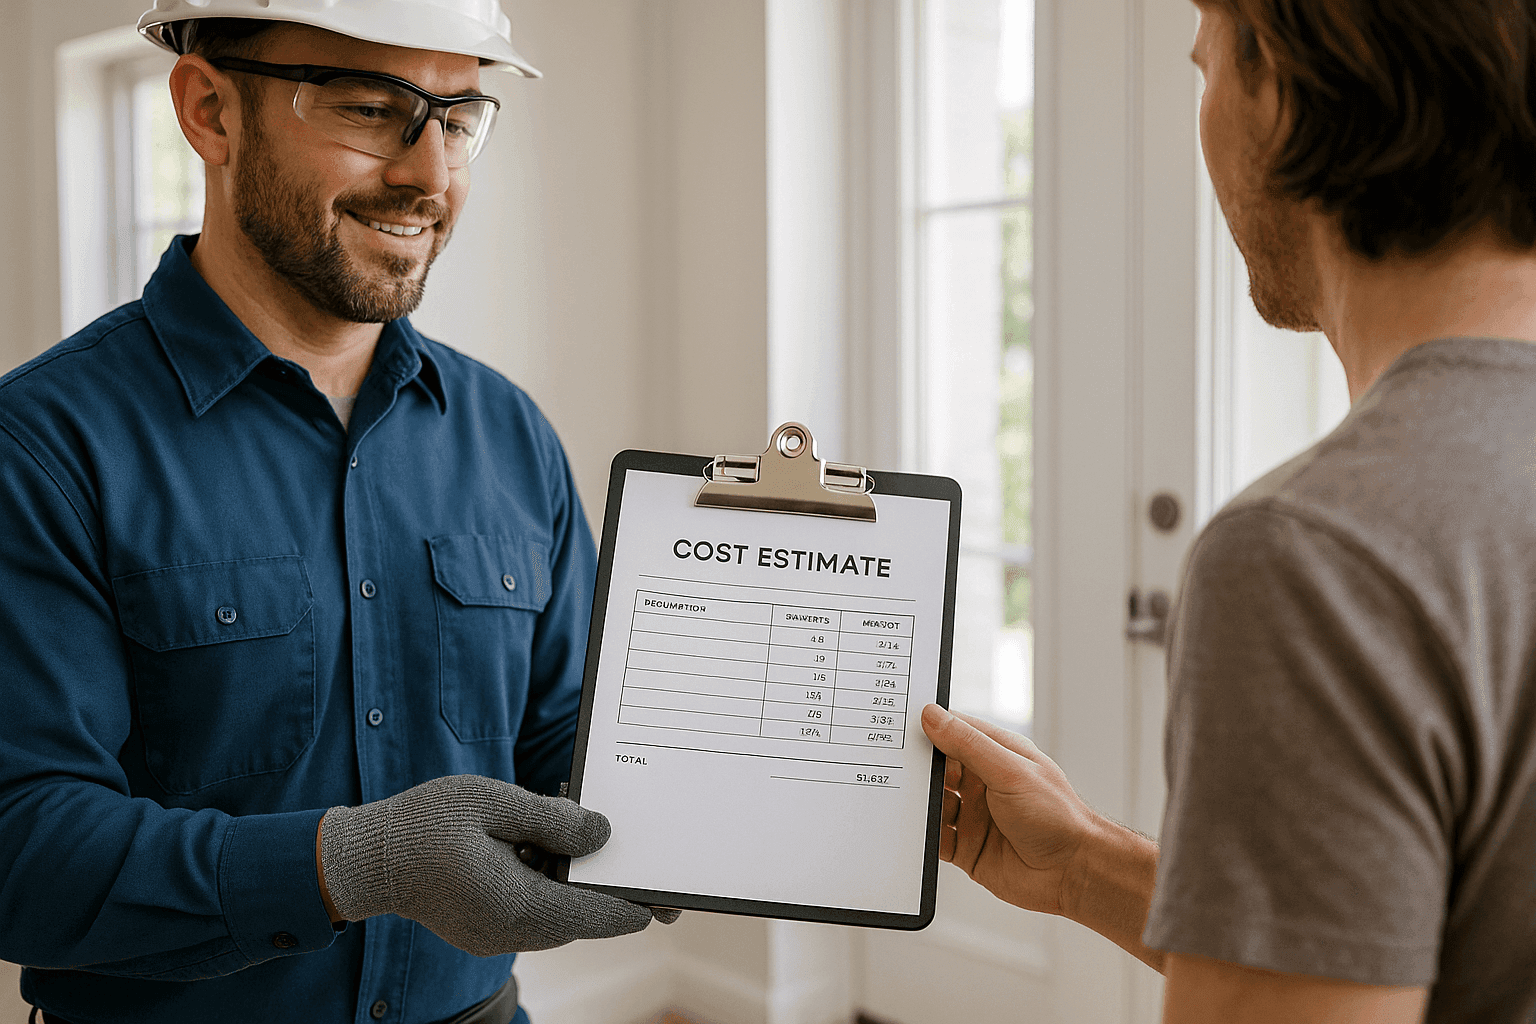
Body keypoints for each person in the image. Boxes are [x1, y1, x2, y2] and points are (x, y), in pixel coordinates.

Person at [0, 2, 670, 1022]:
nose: (430, 176)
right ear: (210, 111)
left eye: (457, 117)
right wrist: (351, 865)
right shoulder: (43, 446)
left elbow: (567, 739)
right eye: (371, 108)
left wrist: (770, 778)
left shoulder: (507, 431)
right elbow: (19, 846)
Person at [923, 0, 1536, 1020]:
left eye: (1205, 68)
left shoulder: (1318, 556)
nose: (1201, 111)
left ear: (1284, 89)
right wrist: (1084, 864)